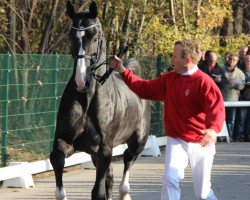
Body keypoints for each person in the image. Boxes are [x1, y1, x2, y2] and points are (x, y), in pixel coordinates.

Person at [110, 40, 225, 200]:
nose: (171, 59)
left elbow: (217, 108)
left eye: (174, 56)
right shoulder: (169, 79)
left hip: (201, 142)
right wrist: (122, 70)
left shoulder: (204, 82)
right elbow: (145, 88)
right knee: (170, 179)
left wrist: (212, 130)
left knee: (202, 193)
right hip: (177, 140)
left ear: (187, 60)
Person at [224, 54, 245, 141]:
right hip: (222, 99)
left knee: (231, 121)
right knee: (221, 120)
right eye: (231, 59)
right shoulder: (221, 70)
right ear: (228, 59)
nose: (232, 61)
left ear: (237, 61)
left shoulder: (240, 72)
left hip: (233, 100)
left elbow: (242, 86)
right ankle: (221, 137)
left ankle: (230, 136)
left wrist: (236, 83)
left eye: (234, 60)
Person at [234, 55, 250, 141]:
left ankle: (247, 136)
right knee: (241, 119)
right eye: (247, 61)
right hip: (243, 98)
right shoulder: (241, 71)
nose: (248, 63)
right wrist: (245, 82)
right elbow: (236, 81)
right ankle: (238, 137)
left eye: (249, 61)